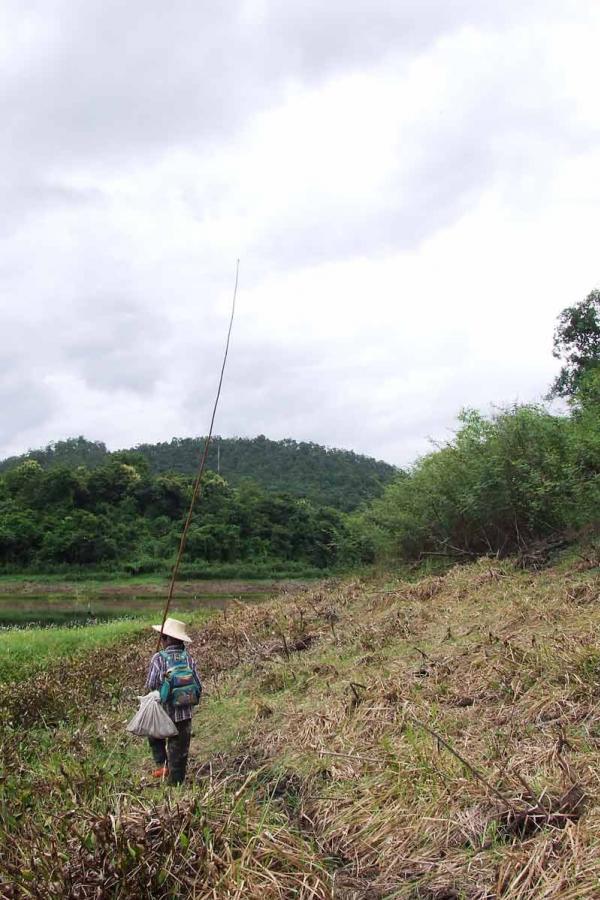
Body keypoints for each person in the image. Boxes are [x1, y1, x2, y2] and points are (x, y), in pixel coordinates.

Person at [145, 617, 202, 786]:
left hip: (164, 713)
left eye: (162, 637)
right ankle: (175, 787)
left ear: (168, 639)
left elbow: (151, 684)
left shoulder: (158, 658)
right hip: (184, 715)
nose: (161, 640)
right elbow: (198, 685)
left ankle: (162, 765)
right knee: (179, 754)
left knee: (154, 735)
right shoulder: (188, 659)